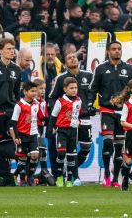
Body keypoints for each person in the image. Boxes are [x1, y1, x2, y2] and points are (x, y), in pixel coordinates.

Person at [90, 40, 132, 187]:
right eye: (113, 49)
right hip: (107, 110)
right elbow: (93, 89)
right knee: (106, 141)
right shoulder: (100, 69)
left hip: (123, 112)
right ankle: (105, 173)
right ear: (108, 51)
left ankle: (114, 178)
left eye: (119, 49)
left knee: (119, 147)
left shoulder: (129, 69)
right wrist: (89, 104)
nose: (117, 51)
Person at [51, 51, 94, 186]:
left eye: (74, 57)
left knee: (86, 147)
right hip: (68, 121)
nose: (73, 59)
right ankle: (74, 176)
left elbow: (94, 92)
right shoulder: (61, 78)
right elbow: (52, 97)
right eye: (69, 58)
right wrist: (61, 112)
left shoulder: (89, 75)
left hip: (84, 117)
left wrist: (91, 105)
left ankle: (68, 170)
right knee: (70, 150)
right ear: (65, 63)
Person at [0, 38, 21, 187]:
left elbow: (16, 92)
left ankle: (11, 176)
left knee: (16, 142)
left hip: (11, 112)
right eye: (8, 48)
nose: (12, 51)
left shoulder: (16, 69)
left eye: (13, 48)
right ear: (0, 51)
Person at [50, 77, 81, 187]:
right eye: (71, 88)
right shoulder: (60, 101)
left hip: (73, 131)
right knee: (61, 153)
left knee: (71, 156)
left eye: (76, 88)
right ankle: (59, 176)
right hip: (62, 130)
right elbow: (53, 116)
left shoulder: (78, 101)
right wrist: (50, 129)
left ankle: (69, 179)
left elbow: (78, 114)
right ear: (65, 89)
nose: (74, 90)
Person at [9, 82, 41, 186]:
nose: (34, 93)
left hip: (33, 134)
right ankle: (16, 174)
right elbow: (13, 121)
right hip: (22, 135)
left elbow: (39, 117)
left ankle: (30, 176)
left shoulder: (36, 103)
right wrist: (17, 136)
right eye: (32, 91)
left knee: (35, 155)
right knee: (22, 158)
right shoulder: (19, 105)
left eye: (35, 91)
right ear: (25, 92)